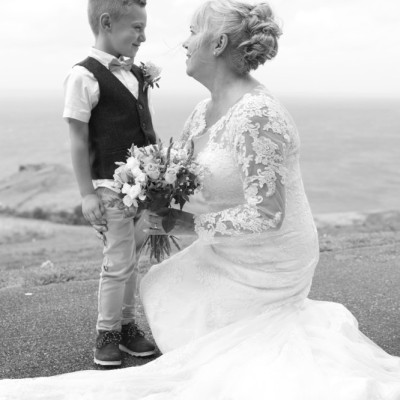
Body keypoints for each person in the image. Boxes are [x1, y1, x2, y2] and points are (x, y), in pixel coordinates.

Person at [1, 0, 399, 398]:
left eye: (193, 32)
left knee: (229, 357)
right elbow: (179, 174)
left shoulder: (258, 117)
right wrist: (146, 194)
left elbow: (268, 214)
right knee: (161, 287)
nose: (185, 43)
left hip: (270, 259)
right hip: (226, 244)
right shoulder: (201, 112)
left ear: (218, 43)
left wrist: (187, 223)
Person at [62, 0, 156, 366]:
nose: (143, 36)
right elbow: (78, 139)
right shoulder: (83, 77)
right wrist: (87, 194)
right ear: (106, 23)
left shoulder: (137, 74)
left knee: (132, 260)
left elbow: (142, 126)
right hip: (108, 186)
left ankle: (127, 327)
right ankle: (107, 333)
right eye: (136, 27)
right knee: (117, 261)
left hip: (141, 187)